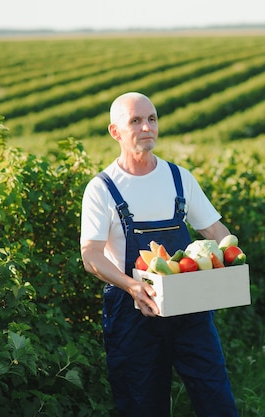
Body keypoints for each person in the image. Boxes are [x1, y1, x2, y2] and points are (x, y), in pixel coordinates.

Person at [80, 92, 239, 417]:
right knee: (142, 405)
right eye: (135, 121)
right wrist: (132, 286)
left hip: (190, 310)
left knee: (216, 398)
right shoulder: (103, 188)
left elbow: (215, 232)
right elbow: (91, 255)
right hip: (132, 313)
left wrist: (231, 262)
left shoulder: (179, 178)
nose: (146, 127)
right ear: (116, 132)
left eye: (151, 119)